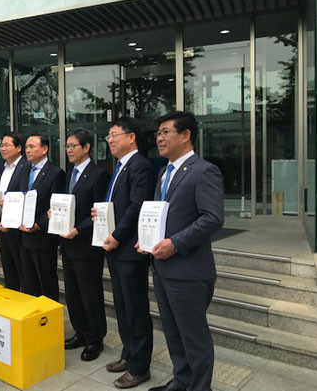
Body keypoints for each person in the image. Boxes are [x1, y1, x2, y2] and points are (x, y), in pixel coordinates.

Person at [139, 111, 224, 391]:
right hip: (162, 268)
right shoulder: (164, 172)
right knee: (174, 333)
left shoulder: (204, 171)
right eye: (158, 133)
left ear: (185, 135)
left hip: (189, 271)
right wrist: (147, 240)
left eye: (165, 132)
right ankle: (182, 381)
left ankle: (199, 387)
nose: (159, 139)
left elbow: (212, 218)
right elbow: (160, 215)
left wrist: (175, 243)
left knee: (193, 337)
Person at [96, 117, 155, 389]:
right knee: (122, 306)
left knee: (136, 309)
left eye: (114, 135)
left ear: (131, 137)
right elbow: (116, 205)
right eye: (108, 136)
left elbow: (136, 206)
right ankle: (128, 354)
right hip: (115, 248)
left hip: (129, 249)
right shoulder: (120, 166)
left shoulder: (140, 166)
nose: (109, 140)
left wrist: (117, 235)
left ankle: (140, 367)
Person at [61, 129, 110, 362]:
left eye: (73, 146)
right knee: (73, 293)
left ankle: (95, 338)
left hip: (87, 245)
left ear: (87, 147)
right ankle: (80, 333)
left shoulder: (98, 175)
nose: (69, 150)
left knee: (90, 294)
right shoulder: (69, 174)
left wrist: (79, 229)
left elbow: (100, 212)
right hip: (67, 244)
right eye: (67, 146)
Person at [19, 134, 65, 301]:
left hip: (43, 237)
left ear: (44, 149)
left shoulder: (56, 173)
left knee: (46, 283)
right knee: (29, 283)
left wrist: (39, 224)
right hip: (24, 235)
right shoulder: (24, 170)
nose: (27, 150)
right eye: (26, 147)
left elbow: (56, 206)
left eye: (32, 147)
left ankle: (49, 314)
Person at [0, 131, 29, 291]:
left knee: (22, 270)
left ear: (18, 148)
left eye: (6, 145)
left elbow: (25, 196)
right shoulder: (3, 168)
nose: (3, 149)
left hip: (17, 227)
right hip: (2, 224)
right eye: (1, 145)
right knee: (8, 269)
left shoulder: (25, 167)